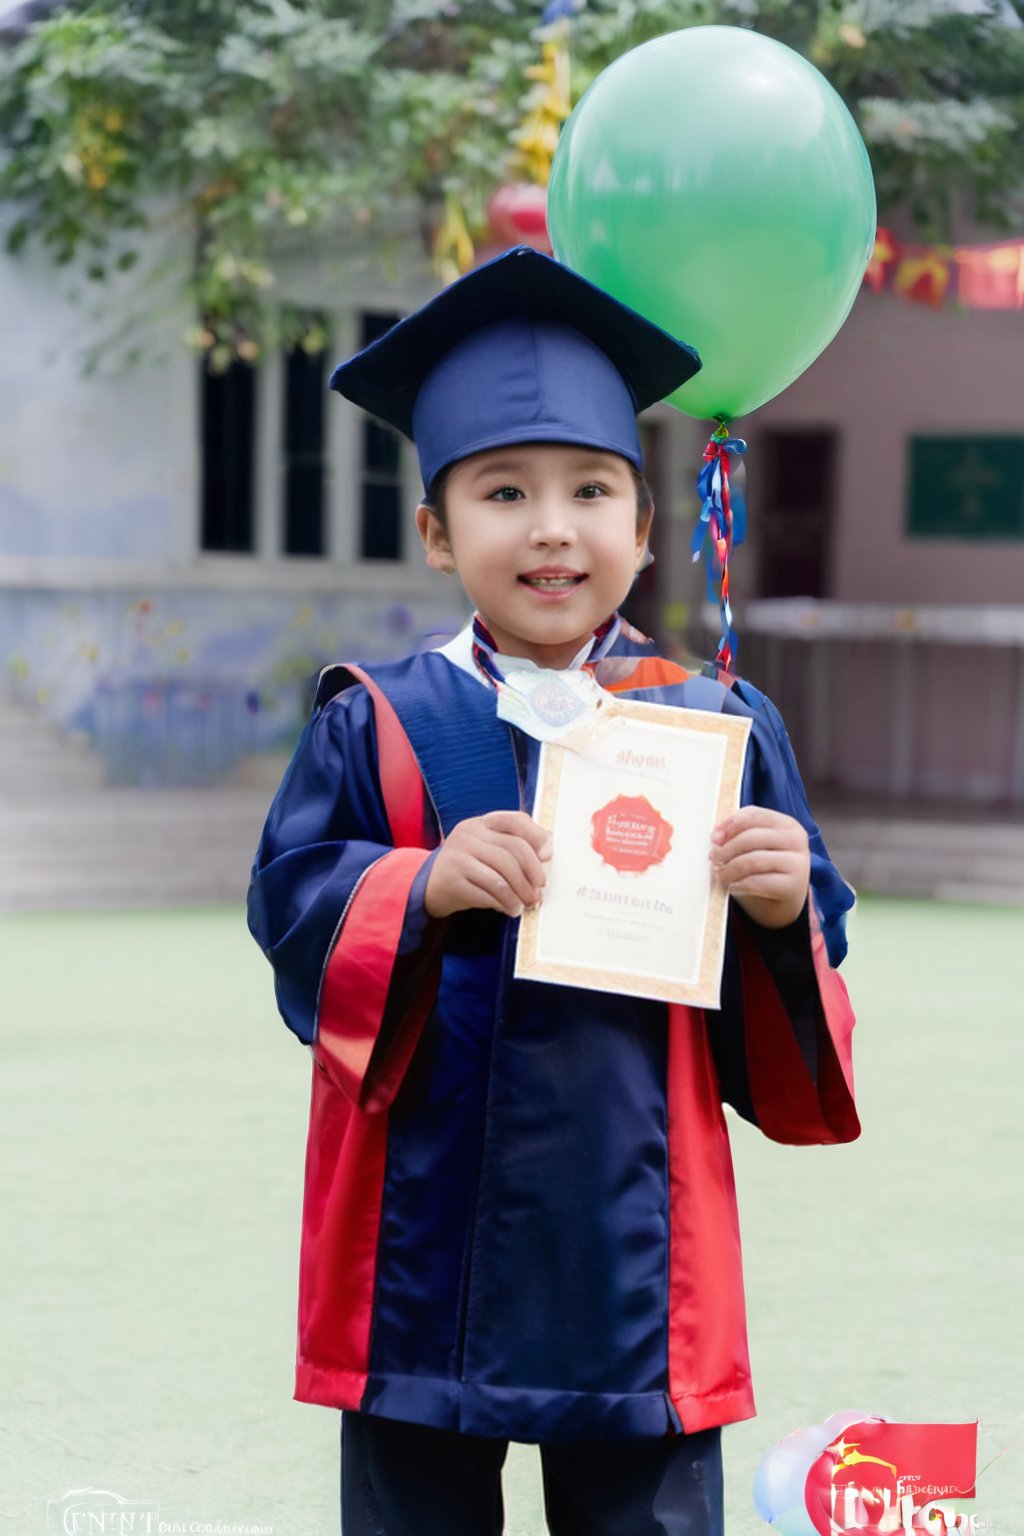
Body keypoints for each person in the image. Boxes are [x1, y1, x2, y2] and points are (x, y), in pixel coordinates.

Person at [247, 246, 859, 1536]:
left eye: (591, 490)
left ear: (643, 525)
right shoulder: (379, 720)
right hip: (422, 1243)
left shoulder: (715, 725)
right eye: (503, 493)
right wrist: (418, 885)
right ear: (435, 528)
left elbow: (815, 952)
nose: (551, 528)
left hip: (641, 1242)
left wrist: (779, 904)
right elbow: (293, 904)